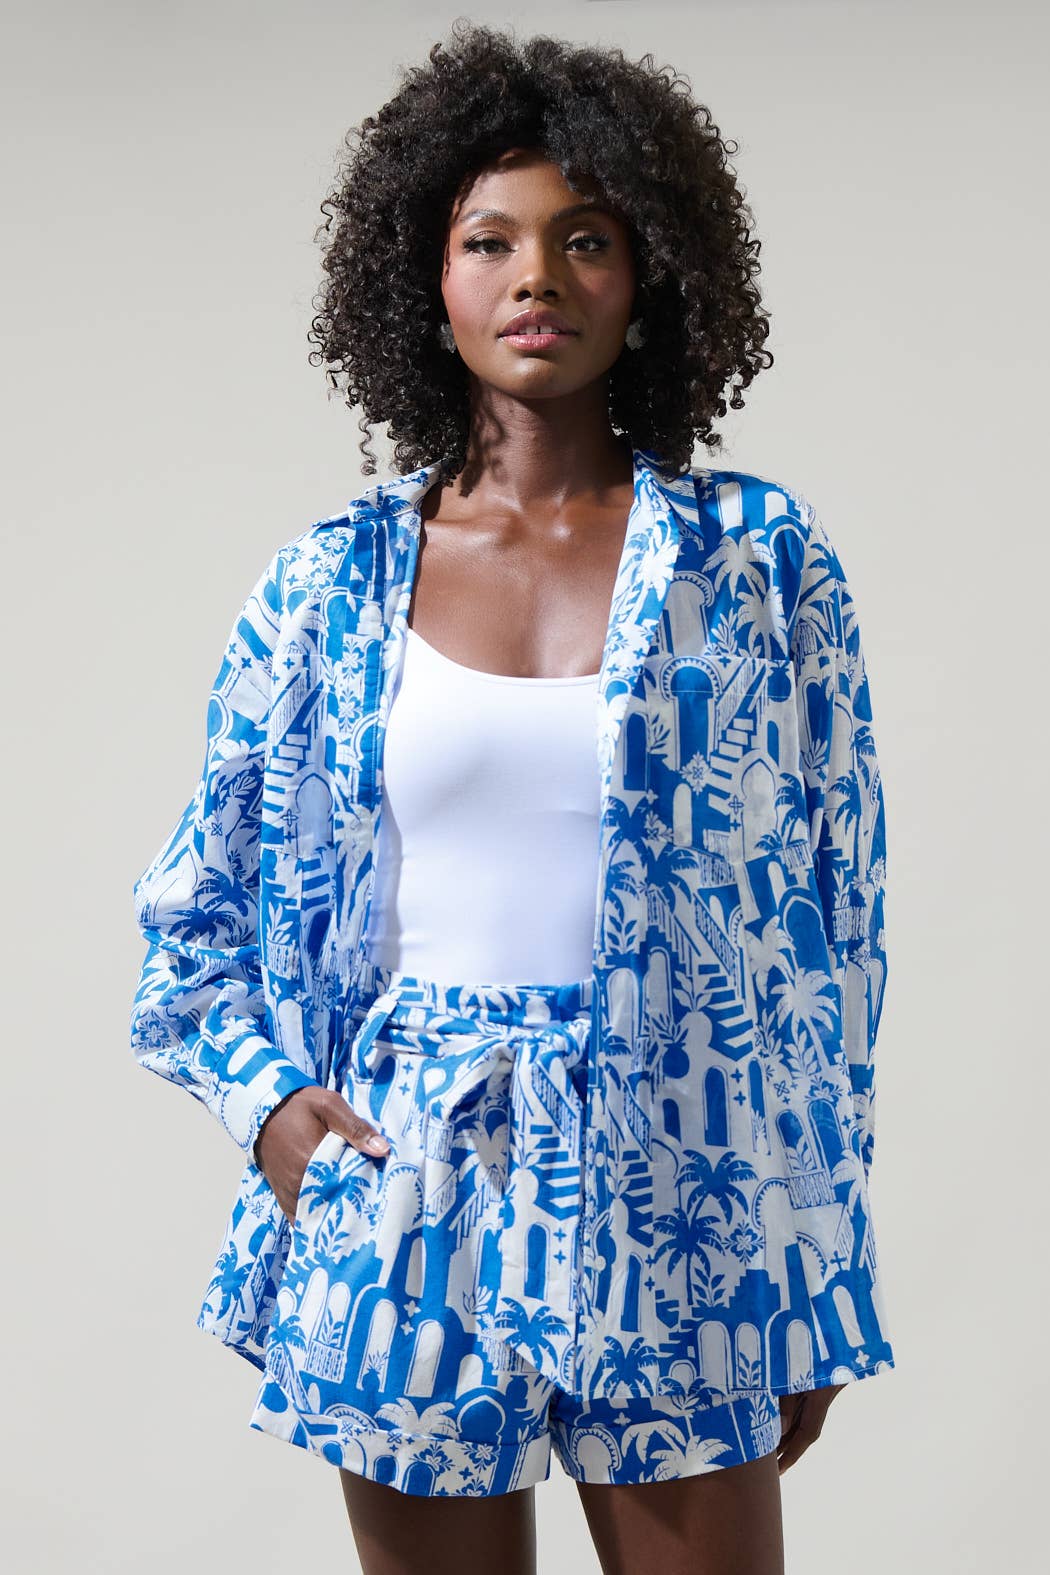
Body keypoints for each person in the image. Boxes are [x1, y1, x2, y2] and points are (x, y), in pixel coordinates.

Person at [129, 21, 895, 1575]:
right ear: (428, 279)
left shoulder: (758, 560)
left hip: (683, 1180)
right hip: (406, 1179)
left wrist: (811, 1253)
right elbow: (188, 919)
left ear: (648, 273)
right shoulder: (327, 587)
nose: (536, 277)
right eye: (490, 241)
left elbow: (836, 927)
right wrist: (271, 1110)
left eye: (584, 239)